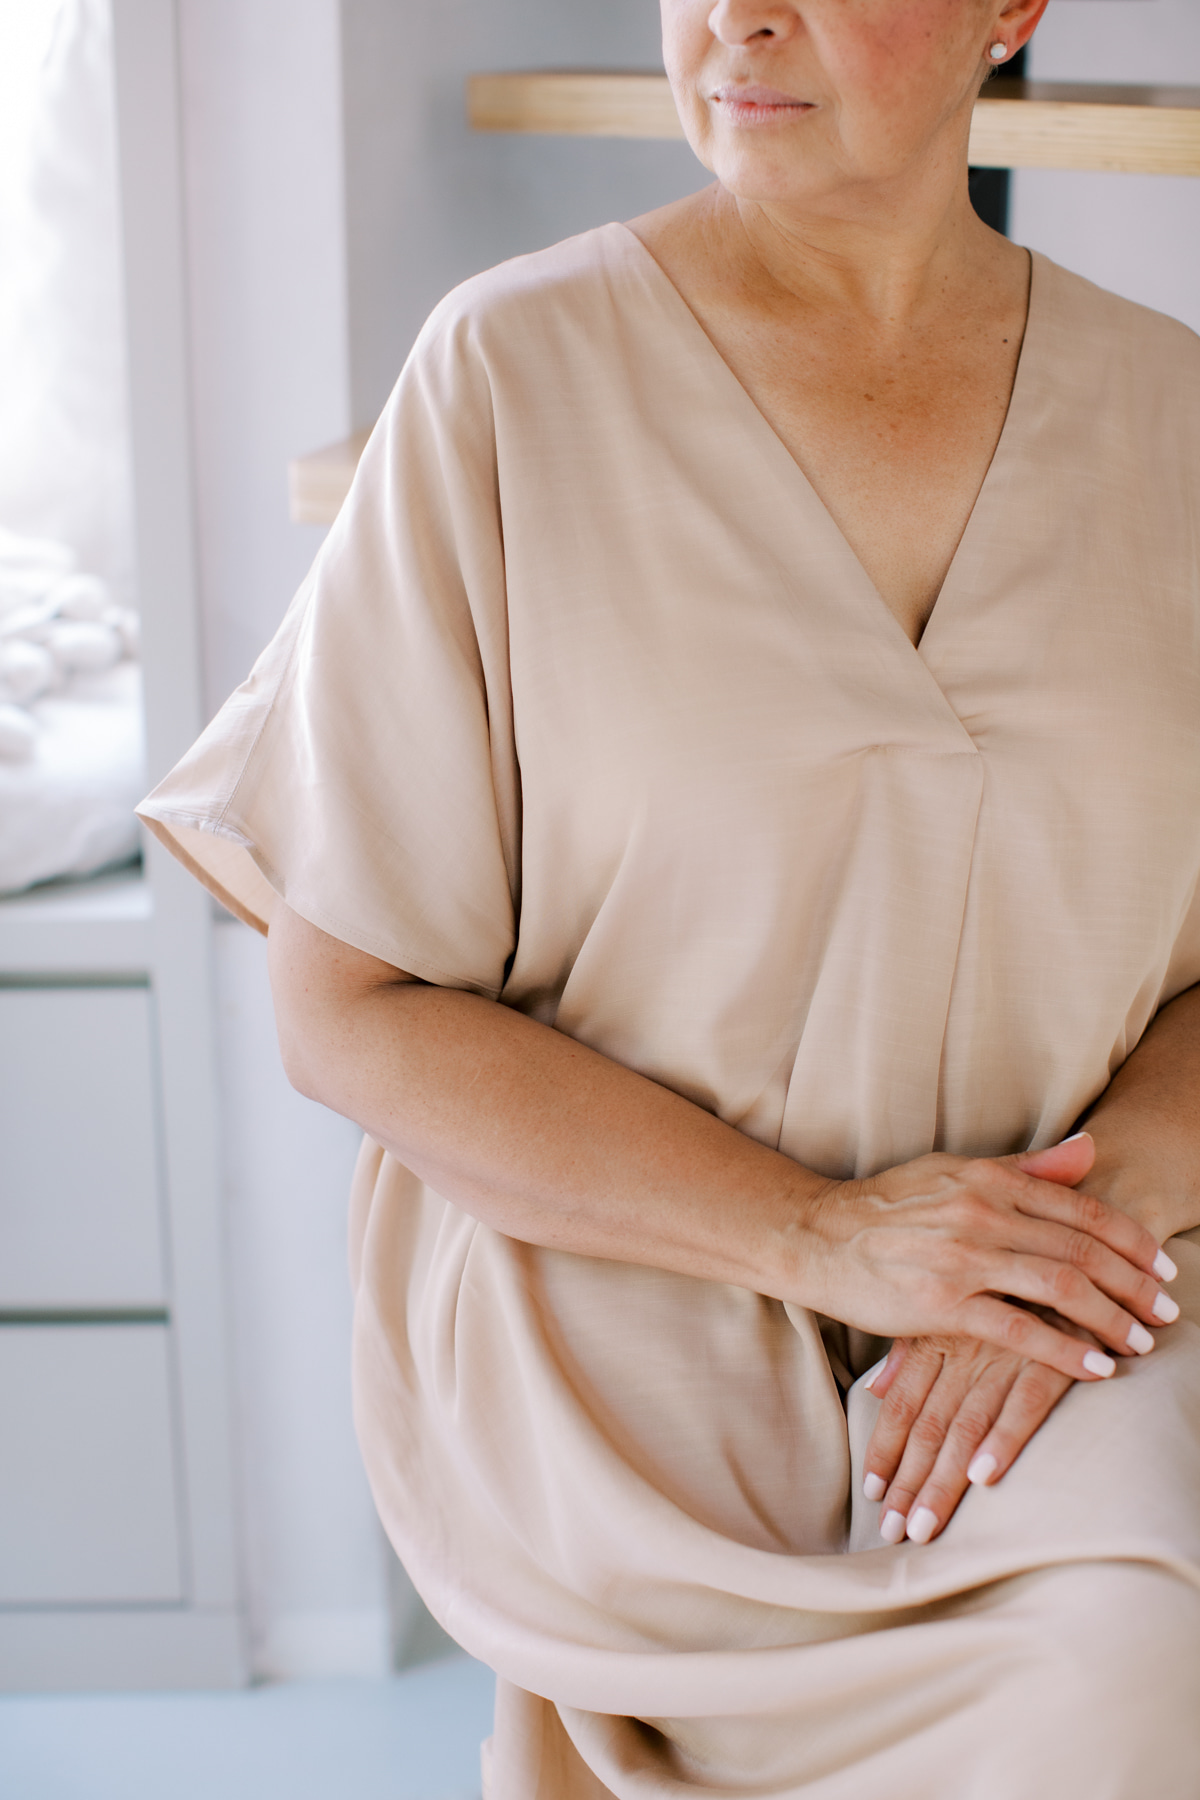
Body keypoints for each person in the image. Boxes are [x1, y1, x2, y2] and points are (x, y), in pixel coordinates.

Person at [139, 0, 1200, 1792]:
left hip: (1064, 1293)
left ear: (1015, 8)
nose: (736, 16)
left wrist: (1086, 1240)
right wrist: (820, 1234)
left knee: (1126, 1649)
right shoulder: (508, 376)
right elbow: (345, 1008)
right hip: (635, 1298)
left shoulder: (1175, 418)